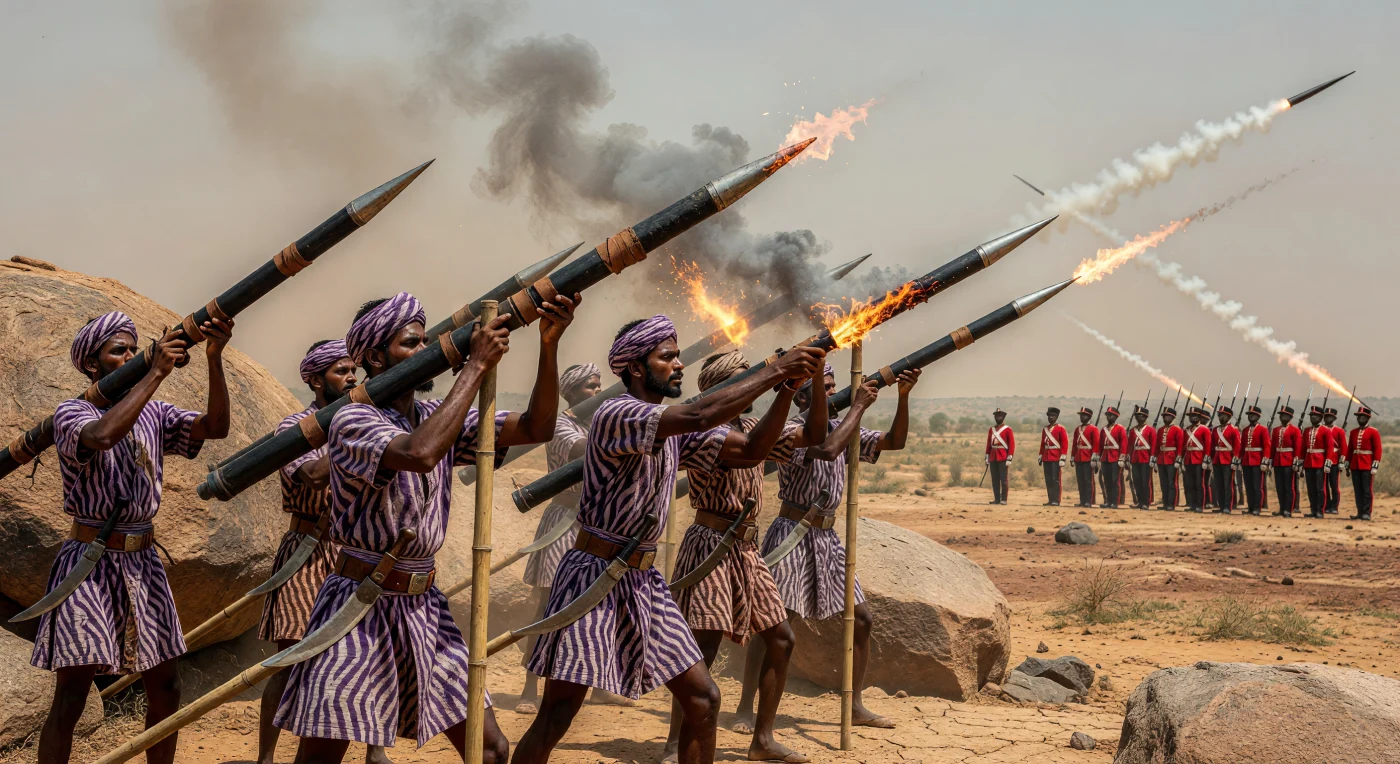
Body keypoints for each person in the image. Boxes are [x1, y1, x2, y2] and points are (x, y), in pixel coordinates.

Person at [274, 290, 579, 763]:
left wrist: (549, 341)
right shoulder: (352, 419)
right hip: (361, 603)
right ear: (375, 357)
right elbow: (419, 454)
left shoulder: (438, 416)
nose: (426, 353)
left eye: (424, 342)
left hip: (425, 605)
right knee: (323, 753)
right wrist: (475, 368)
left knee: (491, 748)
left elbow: (537, 428)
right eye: (411, 344)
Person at [514, 316, 826, 764]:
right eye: (667, 357)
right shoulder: (617, 413)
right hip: (594, 578)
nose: (679, 365)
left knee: (703, 699)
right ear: (637, 369)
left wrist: (789, 389)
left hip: (642, 581)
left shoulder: (674, 429)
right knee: (558, 712)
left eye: (678, 355)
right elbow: (699, 414)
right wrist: (777, 369)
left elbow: (753, 450)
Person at [35, 311, 233, 764]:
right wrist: (157, 373)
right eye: (118, 351)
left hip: (142, 563)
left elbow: (214, 428)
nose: (130, 356)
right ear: (93, 365)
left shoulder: (155, 413)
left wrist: (214, 358)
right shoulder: (73, 412)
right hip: (88, 564)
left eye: (133, 348)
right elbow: (102, 436)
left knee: (166, 687)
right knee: (72, 697)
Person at [739, 362, 920, 740]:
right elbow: (826, 449)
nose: (836, 394)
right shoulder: (794, 431)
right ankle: (744, 706)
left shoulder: (845, 425)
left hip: (826, 539)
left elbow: (894, 441)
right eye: (828, 387)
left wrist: (903, 397)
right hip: (792, 533)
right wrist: (858, 407)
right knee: (774, 625)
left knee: (863, 620)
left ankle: (853, 705)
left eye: (836, 387)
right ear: (803, 395)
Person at [662, 350, 825, 764]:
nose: (756, 382)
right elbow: (754, 450)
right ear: (724, 387)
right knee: (700, 652)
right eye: (744, 376)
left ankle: (762, 739)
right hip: (712, 545)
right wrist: (785, 389)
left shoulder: (754, 424)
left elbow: (816, 434)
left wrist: (813, 379)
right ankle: (673, 743)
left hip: (746, 548)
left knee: (781, 638)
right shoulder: (706, 432)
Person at [255, 341, 393, 764]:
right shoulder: (292, 429)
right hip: (307, 553)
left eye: (354, 370)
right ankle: (266, 756)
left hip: (357, 552)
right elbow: (313, 476)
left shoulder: (371, 423)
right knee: (290, 657)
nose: (352, 377)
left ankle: (375, 749)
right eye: (340, 371)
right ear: (315, 380)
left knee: (368, 653)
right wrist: (351, 438)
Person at [515, 362, 631, 713]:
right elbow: (584, 450)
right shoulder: (562, 423)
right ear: (570, 393)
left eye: (599, 386)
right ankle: (529, 688)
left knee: (599, 602)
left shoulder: (600, 422)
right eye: (589, 387)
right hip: (565, 520)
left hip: (597, 521)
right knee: (549, 603)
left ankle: (597, 686)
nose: (597, 391)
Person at [1345, 406, 1382, 521]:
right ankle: (1359, 512)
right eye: (1359, 417)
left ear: (1367, 418)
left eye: (1363, 417)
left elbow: (1378, 449)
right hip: (1355, 464)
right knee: (1358, 490)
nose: (1360, 418)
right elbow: (1350, 448)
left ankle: (1366, 512)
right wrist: (1347, 461)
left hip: (1367, 464)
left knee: (1366, 490)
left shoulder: (1373, 432)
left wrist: (1375, 464)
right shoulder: (1353, 432)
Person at [1299, 406, 1334, 519]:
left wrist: (1328, 462)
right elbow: (1303, 447)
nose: (1313, 417)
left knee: (1320, 488)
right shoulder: (1307, 430)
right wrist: (1301, 460)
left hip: (1320, 462)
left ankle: (1320, 510)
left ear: (1320, 417)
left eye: (1316, 416)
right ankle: (1313, 509)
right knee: (1311, 488)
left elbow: (1330, 447)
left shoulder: (1325, 430)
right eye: (1312, 416)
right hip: (1309, 462)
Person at [1269, 405, 1303, 517]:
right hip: (1278, 460)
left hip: (1289, 460)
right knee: (1279, 486)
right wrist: (1271, 459)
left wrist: (1296, 460)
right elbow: (1273, 446)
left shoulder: (1295, 430)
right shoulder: (1276, 430)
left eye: (1284, 415)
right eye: (1281, 415)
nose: (1282, 417)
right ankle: (1282, 508)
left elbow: (1297, 447)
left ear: (1290, 417)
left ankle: (1289, 509)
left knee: (1289, 487)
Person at [1239, 405, 1271, 516]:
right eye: (1249, 415)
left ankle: (1258, 507)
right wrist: (1240, 459)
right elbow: (1242, 446)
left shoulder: (1263, 429)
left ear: (1258, 416)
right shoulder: (1245, 430)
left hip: (1257, 460)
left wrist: (1265, 460)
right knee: (1248, 486)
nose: (1251, 417)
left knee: (1257, 486)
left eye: (1253, 415)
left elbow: (1267, 446)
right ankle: (1251, 507)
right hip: (1246, 461)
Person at [1211, 406, 1241, 514]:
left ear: (1228, 416)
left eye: (1222, 415)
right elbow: (1212, 446)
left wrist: (1235, 459)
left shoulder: (1233, 430)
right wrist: (1210, 459)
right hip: (1217, 459)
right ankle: (1221, 505)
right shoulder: (1215, 430)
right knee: (1218, 484)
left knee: (1228, 485)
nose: (1220, 417)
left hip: (1228, 460)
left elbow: (1237, 446)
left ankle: (1228, 506)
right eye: (1219, 415)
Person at [1181, 408, 1212, 513]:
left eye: (1195, 416)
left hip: (1199, 459)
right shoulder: (1187, 430)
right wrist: (1181, 459)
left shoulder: (1204, 429)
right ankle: (1193, 505)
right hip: (1189, 459)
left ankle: (1200, 505)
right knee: (1190, 484)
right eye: (1191, 416)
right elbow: (1183, 446)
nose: (1192, 418)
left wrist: (1206, 459)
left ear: (1200, 417)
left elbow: (1207, 446)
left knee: (1200, 484)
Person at [1152, 407, 1184, 511]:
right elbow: (1157, 445)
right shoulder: (1160, 430)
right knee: (1163, 483)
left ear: (1172, 417)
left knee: (1171, 483)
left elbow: (1180, 445)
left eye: (1167, 416)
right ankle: (1165, 503)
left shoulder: (1177, 429)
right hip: (1162, 458)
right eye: (1164, 416)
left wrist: (1178, 458)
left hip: (1172, 458)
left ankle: (1172, 504)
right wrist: (1155, 458)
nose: (1165, 418)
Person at [1126, 406, 1156, 509]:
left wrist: (1152, 457)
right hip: (1135, 457)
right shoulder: (1132, 430)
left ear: (1145, 417)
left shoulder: (1150, 430)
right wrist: (1128, 457)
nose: (1138, 417)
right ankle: (1140, 501)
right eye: (1137, 415)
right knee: (1137, 481)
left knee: (1145, 481)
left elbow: (1153, 444)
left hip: (1146, 457)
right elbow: (1130, 445)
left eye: (1140, 415)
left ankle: (1146, 503)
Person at [1038, 407, 1068, 506]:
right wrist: (1040, 455)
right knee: (1048, 480)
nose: (1050, 417)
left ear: (1057, 417)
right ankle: (1050, 499)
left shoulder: (1061, 428)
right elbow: (1043, 444)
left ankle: (1056, 500)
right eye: (1049, 416)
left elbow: (1064, 444)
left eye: (1052, 416)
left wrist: (1063, 457)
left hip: (1056, 457)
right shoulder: (1045, 429)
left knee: (1055, 480)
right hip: (1046, 456)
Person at [1097, 406, 1126, 509]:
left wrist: (1122, 457)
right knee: (1107, 481)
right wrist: (1098, 458)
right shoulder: (1104, 429)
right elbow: (1100, 445)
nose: (1109, 417)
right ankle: (1108, 502)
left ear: (1115, 416)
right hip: (1105, 458)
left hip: (1115, 458)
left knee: (1115, 481)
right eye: (1108, 415)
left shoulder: (1120, 428)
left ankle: (1115, 502)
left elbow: (1123, 443)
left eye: (1111, 415)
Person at [984, 408, 1014, 505]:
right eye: (997, 416)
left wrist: (1010, 456)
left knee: (1003, 479)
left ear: (1003, 417)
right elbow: (989, 444)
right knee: (995, 479)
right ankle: (996, 499)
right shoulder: (991, 430)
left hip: (1003, 456)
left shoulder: (1008, 429)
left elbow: (1012, 444)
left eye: (1000, 416)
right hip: (993, 456)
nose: (998, 418)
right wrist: (987, 456)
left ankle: (1004, 499)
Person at [1071, 407, 1099, 508]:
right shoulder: (1077, 429)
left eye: (1085, 415)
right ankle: (1082, 501)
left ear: (1089, 416)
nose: (1082, 417)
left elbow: (1096, 444)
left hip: (1088, 457)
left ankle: (1088, 501)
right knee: (1080, 480)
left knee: (1088, 481)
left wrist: (1094, 458)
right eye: (1081, 415)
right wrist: (1072, 456)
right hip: (1079, 457)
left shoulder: (1094, 429)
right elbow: (1075, 444)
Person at [1324, 407, 1346, 515]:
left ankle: (1334, 506)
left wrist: (1342, 461)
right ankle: (1326, 505)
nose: (1328, 418)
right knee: (1324, 485)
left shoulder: (1339, 431)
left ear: (1334, 418)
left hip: (1335, 461)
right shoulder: (1321, 429)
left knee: (1334, 485)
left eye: (1330, 417)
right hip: (1322, 460)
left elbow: (1343, 447)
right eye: (1326, 416)